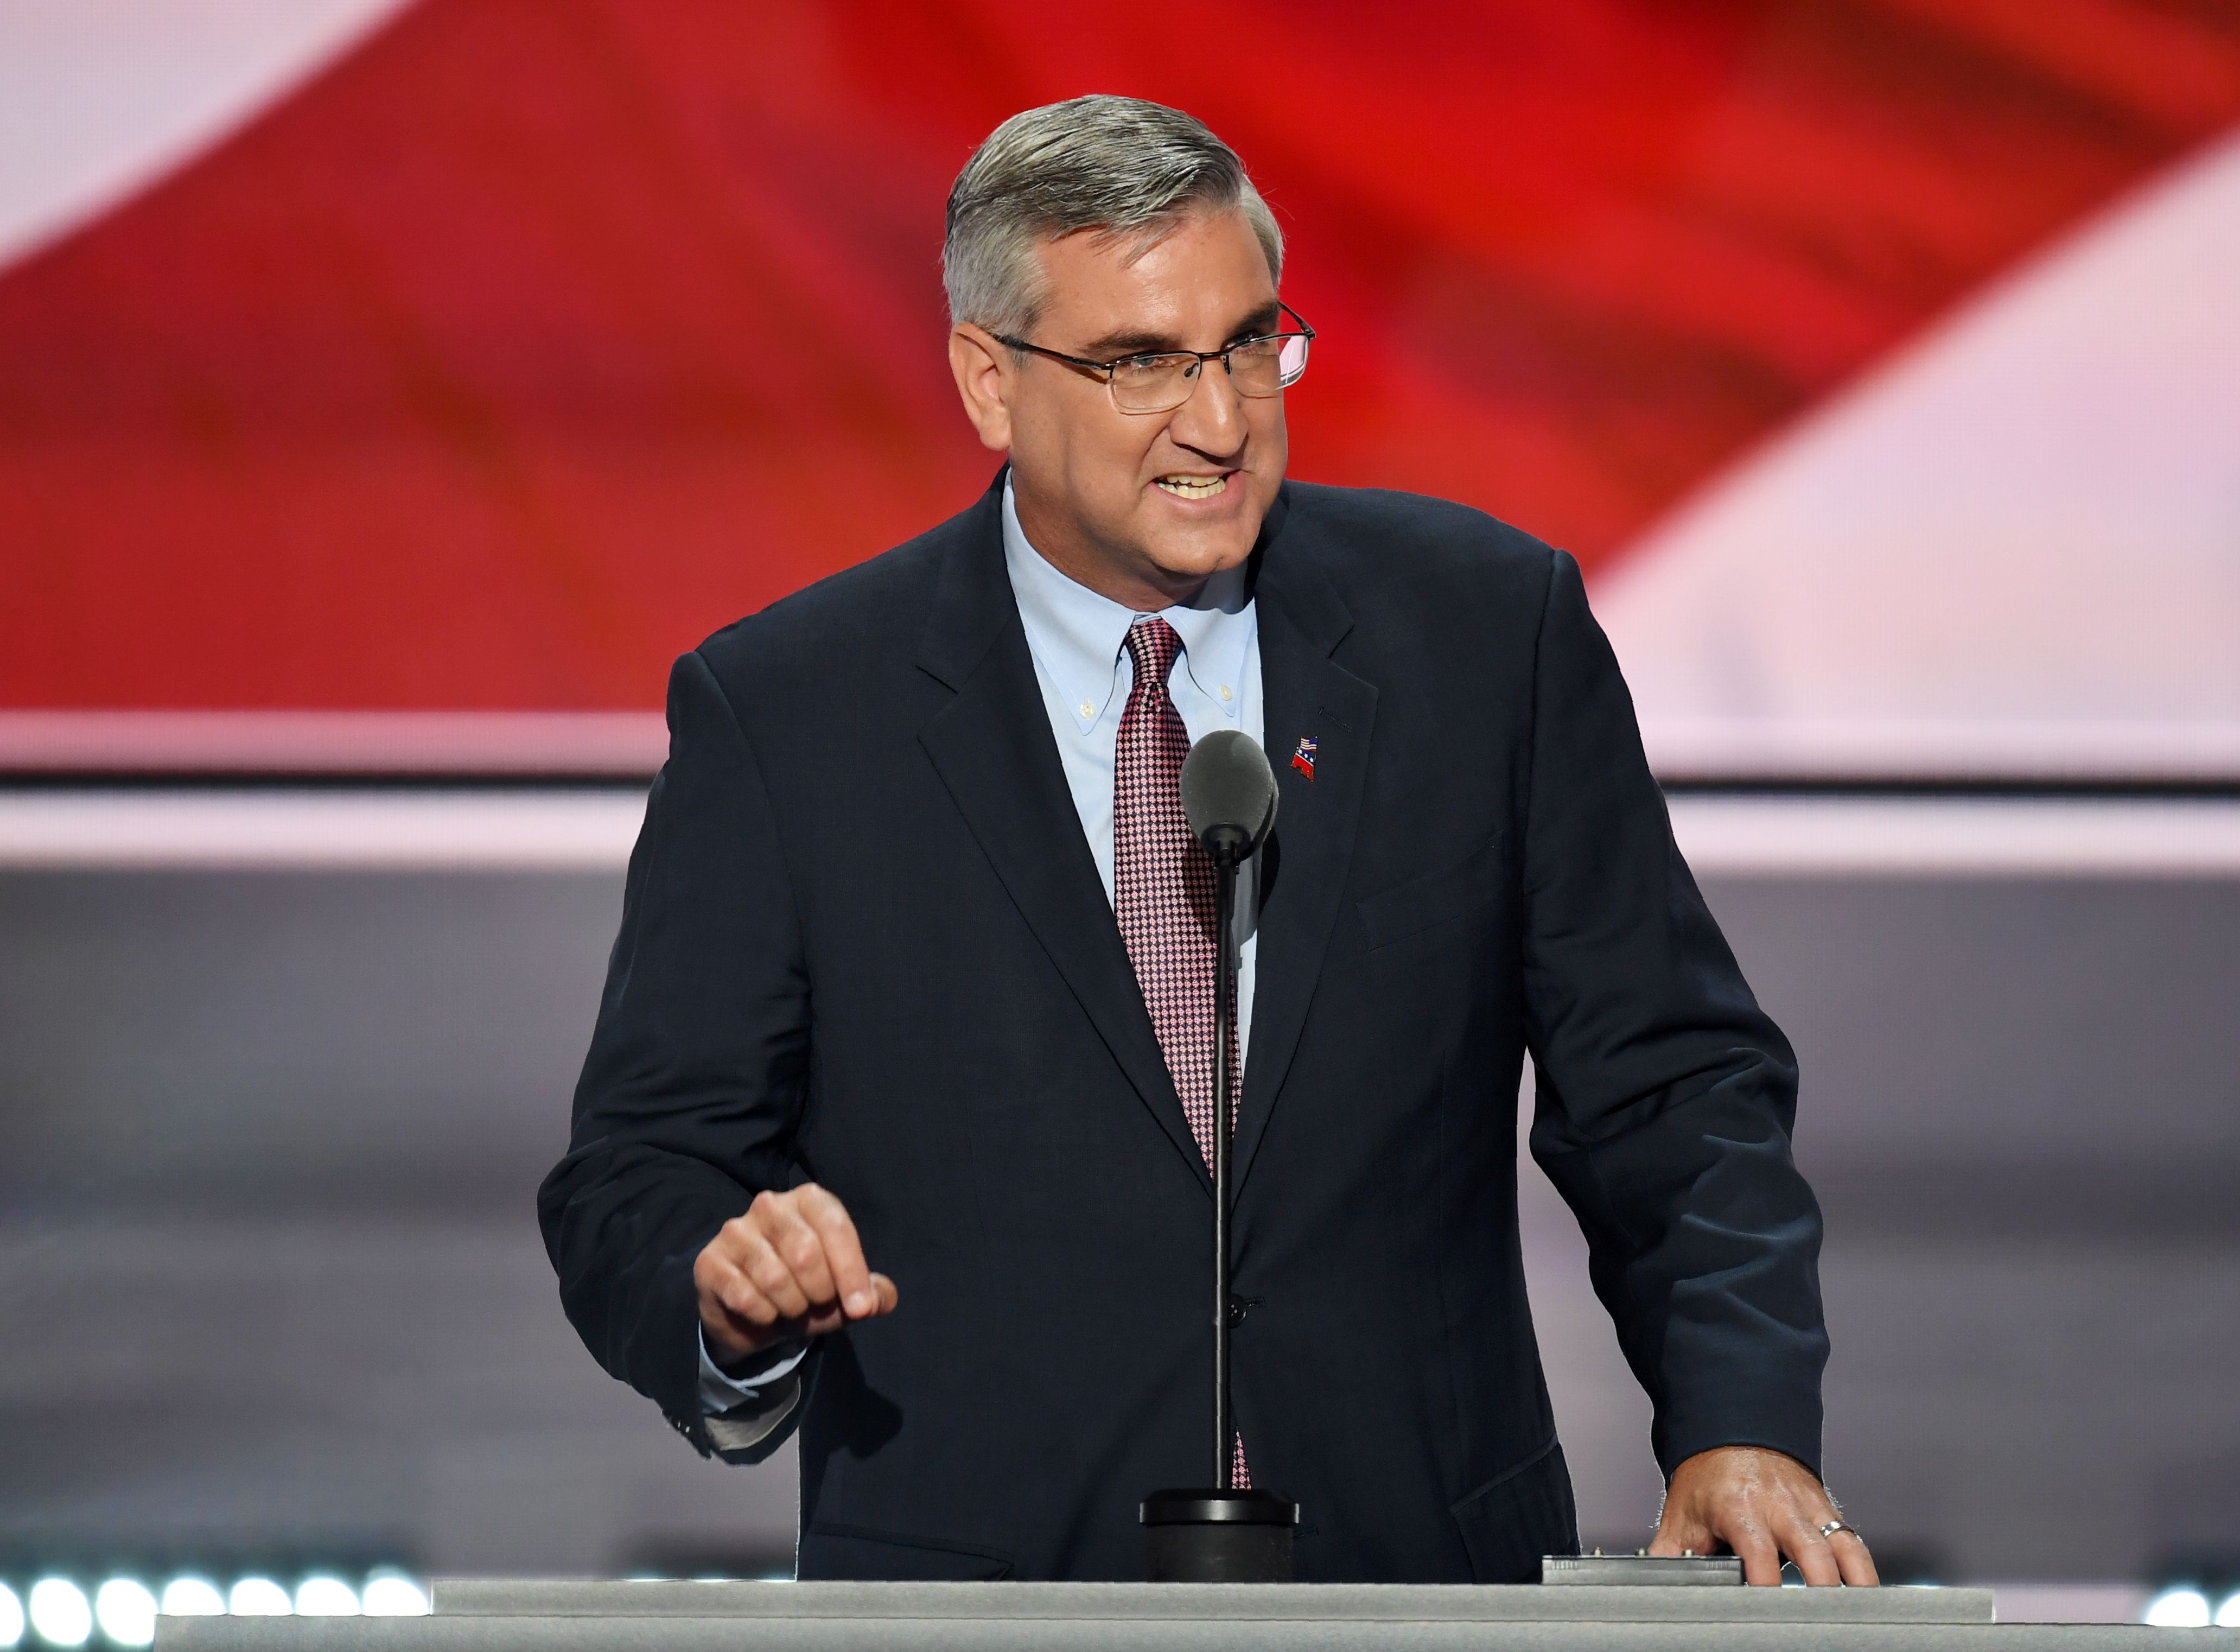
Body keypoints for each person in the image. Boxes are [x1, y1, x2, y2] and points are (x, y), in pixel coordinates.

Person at [539, 94, 1875, 1587]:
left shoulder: (1487, 639)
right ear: (989, 382)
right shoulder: (790, 715)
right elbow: (639, 1174)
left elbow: (1675, 1090)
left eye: (1248, 342)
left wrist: (1741, 1420)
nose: (1223, 420)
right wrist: (722, 1295)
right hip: (984, 1600)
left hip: (1417, 1584)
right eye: (1138, 363)